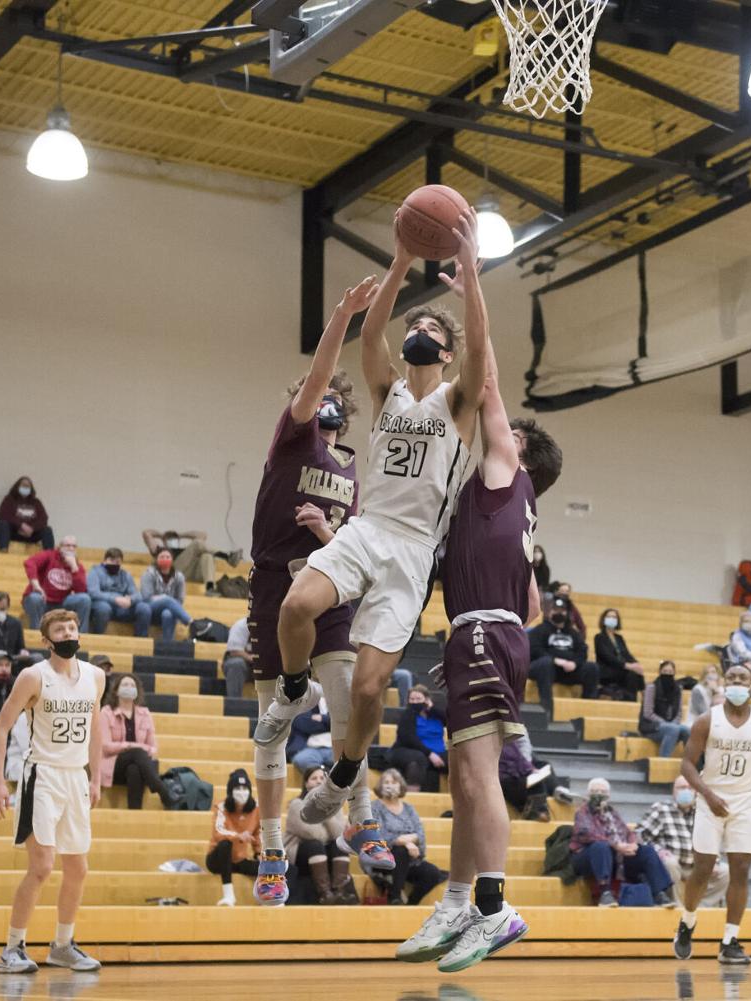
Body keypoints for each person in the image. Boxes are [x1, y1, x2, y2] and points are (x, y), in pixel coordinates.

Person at [253, 214, 489, 890]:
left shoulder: (458, 400)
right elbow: (375, 330)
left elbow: (480, 345)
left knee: (367, 686)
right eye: (422, 329)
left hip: (415, 550)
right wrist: (398, 260)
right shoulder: (386, 389)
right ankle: (293, 687)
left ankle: (349, 768)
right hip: (367, 525)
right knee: (298, 604)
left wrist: (469, 279)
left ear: (446, 353)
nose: (423, 334)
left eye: (436, 333)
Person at [392, 314, 563, 974]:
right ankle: (459, 900)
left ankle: (493, 905)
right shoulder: (498, 503)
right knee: (463, 782)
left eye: (505, 432)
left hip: (485, 631)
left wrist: (467, 283)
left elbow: (486, 381)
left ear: (517, 450)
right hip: (481, 631)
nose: (495, 428)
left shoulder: (503, 473)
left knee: (476, 775)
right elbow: (535, 605)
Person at [241, 277, 374, 905]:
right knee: (271, 727)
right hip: (275, 588)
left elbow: (354, 537)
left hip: (330, 587)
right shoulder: (293, 436)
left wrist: (326, 530)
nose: (320, 401)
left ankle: (364, 815)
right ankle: (272, 847)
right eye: (312, 394)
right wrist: (344, 319)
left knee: (353, 700)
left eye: (329, 400)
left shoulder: (350, 465)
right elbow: (319, 377)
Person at [0, 609, 105, 974]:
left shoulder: (96, 677)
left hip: (75, 778)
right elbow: (0, 729)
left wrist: (96, 776)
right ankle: (12, 947)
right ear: (46, 640)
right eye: (60, 628)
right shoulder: (33, 676)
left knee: (78, 868)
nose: (68, 632)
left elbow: (96, 729)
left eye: (72, 626)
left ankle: (63, 945)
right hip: (42, 776)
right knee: (41, 867)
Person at [673, 662, 751, 965]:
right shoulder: (706, 720)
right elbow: (687, 764)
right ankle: (687, 922)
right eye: (732, 677)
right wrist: (707, 794)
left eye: (743, 677)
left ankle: (729, 941)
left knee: (741, 869)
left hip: (744, 802)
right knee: (704, 867)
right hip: (710, 798)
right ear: (725, 683)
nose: (737, 681)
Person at [571, 777, 675, 907]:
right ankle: (605, 893)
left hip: (614, 857)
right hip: (588, 858)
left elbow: (627, 832)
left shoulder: (612, 812)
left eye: (603, 792)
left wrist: (633, 844)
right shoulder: (582, 812)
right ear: (588, 794)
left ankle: (659, 893)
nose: (599, 795)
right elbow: (586, 834)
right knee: (601, 846)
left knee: (646, 850)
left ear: (608, 796)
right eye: (595, 791)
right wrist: (616, 845)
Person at [637, 777, 730, 907]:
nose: (686, 791)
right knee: (668, 863)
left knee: (725, 871)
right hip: (673, 864)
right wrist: (660, 852)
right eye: (681, 788)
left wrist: (715, 861)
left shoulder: (703, 813)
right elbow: (641, 836)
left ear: (696, 792)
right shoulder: (661, 809)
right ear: (673, 791)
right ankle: (679, 910)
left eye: (690, 788)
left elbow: (712, 841)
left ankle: (701, 909)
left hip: (697, 867)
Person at [373, 768, 447, 905]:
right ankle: (394, 896)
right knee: (400, 851)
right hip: (384, 860)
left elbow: (420, 835)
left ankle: (411, 903)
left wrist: (410, 841)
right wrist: (405, 841)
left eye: (394, 782)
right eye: (386, 782)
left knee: (432, 873)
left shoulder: (409, 808)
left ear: (400, 785)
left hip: (410, 860)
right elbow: (379, 835)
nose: (390, 785)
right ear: (380, 786)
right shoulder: (375, 808)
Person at [284, 766, 356, 904]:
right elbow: (313, 834)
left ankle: (339, 892)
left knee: (339, 845)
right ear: (306, 784)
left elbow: (339, 834)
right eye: (314, 778)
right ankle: (324, 894)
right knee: (315, 845)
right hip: (299, 853)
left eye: (322, 778)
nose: (318, 781)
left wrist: (324, 809)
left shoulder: (335, 805)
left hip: (324, 852)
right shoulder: (297, 805)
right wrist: (326, 813)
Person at [96, 672, 165, 810]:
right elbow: (105, 746)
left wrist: (138, 749)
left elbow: (153, 748)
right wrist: (131, 746)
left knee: (134, 769)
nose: (129, 687)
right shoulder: (106, 712)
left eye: (132, 685)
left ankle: (135, 813)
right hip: (113, 766)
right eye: (125, 684)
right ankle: (161, 789)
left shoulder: (145, 713)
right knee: (137, 753)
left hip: (138, 767)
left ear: (137, 691)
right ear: (116, 690)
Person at [528, 597, 599, 714]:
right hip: (544, 668)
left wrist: (575, 663)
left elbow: (582, 650)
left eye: (562, 610)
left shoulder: (573, 632)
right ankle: (546, 709)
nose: (559, 613)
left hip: (568, 670)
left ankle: (588, 708)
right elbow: (535, 650)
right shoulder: (540, 629)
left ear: (567, 613)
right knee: (546, 663)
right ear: (550, 612)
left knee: (592, 668)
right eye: (555, 610)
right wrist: (555, 660)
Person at [206, 769, 261, 906]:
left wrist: (259, 853)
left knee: (272, 866)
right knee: (225, 844)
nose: (242, 791)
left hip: (238, 859)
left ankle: (270, 897)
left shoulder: (256, 808)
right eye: (237, 788)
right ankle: (229, 895)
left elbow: (258, 833)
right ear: (230, 791)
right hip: (217, 859)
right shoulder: (221, 806)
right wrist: (238, 836)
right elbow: (218, 832)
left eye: (244, 788)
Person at [21, 538, 90, 632]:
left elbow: (81, 590)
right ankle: (36, 633)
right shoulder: (49, 555)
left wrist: (74, 567)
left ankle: (80, 637)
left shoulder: (78, 566)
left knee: (84, 599)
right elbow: (30, 563)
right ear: (59, 547)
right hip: (42, 600)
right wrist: (36, 585)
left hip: (61, 603)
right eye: (67, 545)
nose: (71, 548)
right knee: (35, 598)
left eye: (74, 546)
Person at [390, 686, 449, 792]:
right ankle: (413, 796)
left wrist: (432, 709)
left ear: (427, 700)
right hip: (413, 750)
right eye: (412, 699)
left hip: (438, 751)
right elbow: (409, 738)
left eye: (418, 699)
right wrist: (430, 754)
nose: (415, 702)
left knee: (456, 759)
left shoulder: (436, 714)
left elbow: (450, 721)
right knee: (419, 759)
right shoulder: (408, 715)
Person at [139, 528, 235, 592]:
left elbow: (202, 535)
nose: (172, 541)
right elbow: (146, 533)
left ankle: (210, 588)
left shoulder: (185, 551)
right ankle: (226, 556)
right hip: (172, 571)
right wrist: (162, 535)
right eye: (170, 539)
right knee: (197, 544)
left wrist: (180, 535)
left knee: (207, 555)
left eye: (174, 539)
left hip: (189, 573)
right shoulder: (160, 550)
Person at [139, 549, 193, 641]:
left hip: (170, 609)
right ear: (157, 559)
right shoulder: (148, 574)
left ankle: (167, 644)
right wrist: (163, 599)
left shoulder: (179, 577)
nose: (165, 559)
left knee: (168, 614)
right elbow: (146, 597)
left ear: (172, 560)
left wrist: (164, 600)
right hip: (150, 608)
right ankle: (191, 622)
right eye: (162, 557)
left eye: (167, 557)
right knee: (167, 600)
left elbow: (180, 600)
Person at [640, 661, 690, 758]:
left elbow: (679, 712)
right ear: (659, 672)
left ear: (674, 673)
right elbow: (648, 713)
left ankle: (692, 762)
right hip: (652, 727)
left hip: (670, 726)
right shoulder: (652, 687)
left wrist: (673, 723)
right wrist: (665, 723)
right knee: (673, 729)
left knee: (686, 730)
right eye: (665, 671)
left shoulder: (677, 689)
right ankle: (663, 760)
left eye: (670, 672)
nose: (667, 674)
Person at [594, 608, 645, 700]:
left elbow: (626, 654)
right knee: (631, 672)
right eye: (609, 616)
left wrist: (636, 664)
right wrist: (626, 665)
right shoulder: (599, 637)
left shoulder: (619, 638)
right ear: (604, 619)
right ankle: (642, 693)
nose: (612, 619)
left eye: (614, 617)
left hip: (621, 669)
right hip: (607, 670)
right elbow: (607, 657)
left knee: (636, 670)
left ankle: (637, 697)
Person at [0, 476, 55, 552]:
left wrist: (32, 528)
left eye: (28, 486)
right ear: (17, 486)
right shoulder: (9, 499)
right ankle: (3, 550)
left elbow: (43, 519)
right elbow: (4, 515)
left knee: (47, 530)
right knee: (3, 523)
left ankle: (50, 555)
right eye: (23, 485)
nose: (25, 488)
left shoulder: (36, 502)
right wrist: (21, 526)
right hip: (13, 533)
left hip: (30, 535)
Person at [287, 698, 335, 775]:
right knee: (302, 759)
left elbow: (346, 723)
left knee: (349, 762)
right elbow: (303, 723)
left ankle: (324, 780)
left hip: (335, 748)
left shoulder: (342, 704)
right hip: (308, 750)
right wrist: (330, 723)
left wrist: (322, 718)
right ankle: (321, 779)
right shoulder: (303, 703)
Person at [223, 616, 251, 700]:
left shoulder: (275, 624)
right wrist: (255, 659)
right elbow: (234, 651)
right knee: (236, 664)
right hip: (247, 665)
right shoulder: (241, 625)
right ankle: (234, 704)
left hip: (267, 667)